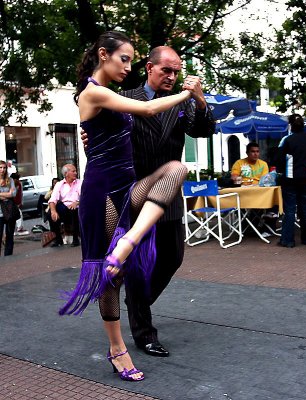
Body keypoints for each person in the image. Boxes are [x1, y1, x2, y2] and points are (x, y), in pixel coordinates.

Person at [59, 31, 200, 382]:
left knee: (177, 168)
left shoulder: (111, 95)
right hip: (104, 190)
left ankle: (129, 241)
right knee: (111, 278)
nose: (128, 66)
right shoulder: (94, 91)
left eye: (132, 61)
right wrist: (187, 93)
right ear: (103, 54)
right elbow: (149, 108)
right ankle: (117, 348)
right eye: (124, 59)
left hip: (129, 187)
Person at [81, 45, 215, 357]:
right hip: (132, 193)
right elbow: (103, 137)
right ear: (149, 68)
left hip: (167, 195)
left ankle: (136, 303)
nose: (173, 76)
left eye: (177, 71)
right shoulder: (125, 97)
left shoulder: (183, 104)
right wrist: (90, 140)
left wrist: (199, 98)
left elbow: (205, 131)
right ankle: (144, 332)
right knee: (139, 266)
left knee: (172, 258)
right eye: (166, 70)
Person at [276, 114, 306, 248]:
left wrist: (279, 173)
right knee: (304, 207)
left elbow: (280, 161)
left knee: (290, 209)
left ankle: (287, 240)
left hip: (290, 179)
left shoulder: (286, 140)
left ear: (290, 125)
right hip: (305, 178)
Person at [48, 164, 81, 247]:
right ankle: (58, 239)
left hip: (77, 206)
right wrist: (53, 211)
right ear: (66, 173)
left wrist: (77, 202)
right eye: (73, 171)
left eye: (75, 171)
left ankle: (75, 239)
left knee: (74, 210)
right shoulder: (59, 184)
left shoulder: (80, 183)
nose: (76, 173)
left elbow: (85, 197)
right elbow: (53, 199)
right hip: (64, 206)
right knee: (50, 213)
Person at [0, 160, 17, 256]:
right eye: (0, 167)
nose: (2, 170)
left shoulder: (10, 180)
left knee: (10, 235)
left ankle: (8, 256)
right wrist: (8, 195)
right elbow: (9, 194)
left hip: (10, 210)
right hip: (0, 212)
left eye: (4, 167)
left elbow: (13, 194)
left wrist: (2, 196)